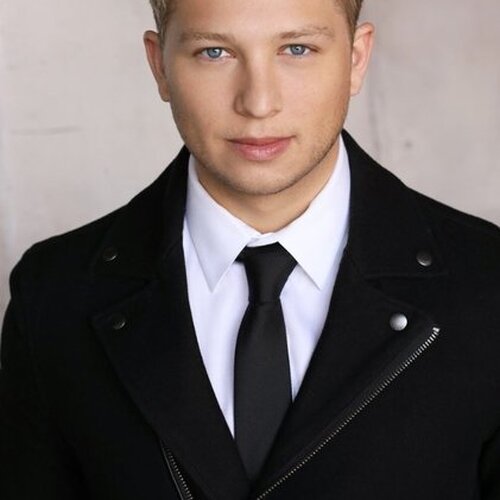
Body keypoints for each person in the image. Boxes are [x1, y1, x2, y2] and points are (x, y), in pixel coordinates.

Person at [1, 0, 499, 498]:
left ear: (356, 58)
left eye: (297, 49)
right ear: (160, 66)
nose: (258, 103)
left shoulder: (487, 284)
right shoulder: (53, 296)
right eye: (214, 52)